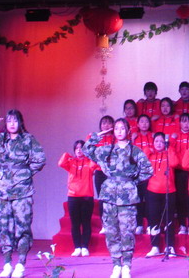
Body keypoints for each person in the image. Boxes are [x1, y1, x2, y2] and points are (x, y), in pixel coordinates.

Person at [0, 110, 46, 278]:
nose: (12, 124)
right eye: (9, 121)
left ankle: (21, 263)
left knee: (23, 226)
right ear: (6, 123)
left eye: (15, 121)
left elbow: (40, 159)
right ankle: (7, 263)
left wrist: (24, 174)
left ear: (21, 122)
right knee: (4, 227)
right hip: (3, 189)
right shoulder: (0, 139)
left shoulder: (28, 139)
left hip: (22, 190)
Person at [83, 118, 153, 278]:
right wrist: (98, 136)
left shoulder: (135, 151)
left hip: (127, 198)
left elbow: (148, 170)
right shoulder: (107, 149)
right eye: (116, 128)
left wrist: (132, 182)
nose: (119, 131)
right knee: (111, 232)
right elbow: (87, 150)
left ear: (128, 130)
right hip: (109, 196)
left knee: (127, 232)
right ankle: (116, 265)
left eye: (122, 128)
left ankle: (126, 265)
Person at [59, 140, 97, 257]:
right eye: (77, 148)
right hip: (73, 196)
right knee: (75, 223)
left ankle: (85, 247)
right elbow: (61, 163)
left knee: (86, 223)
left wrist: (90, 153)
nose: (79, 150)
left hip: (87, 196)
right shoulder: (71, 162)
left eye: (81, 148)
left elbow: (97, 164)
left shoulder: (89, 162)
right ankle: (77, 247)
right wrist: (68, 155)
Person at [144, 132, 179, 257]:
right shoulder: (151, 155)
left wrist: (169, 148)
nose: (159, 144)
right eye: (156, 141)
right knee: (154, 220)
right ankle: (155, 246)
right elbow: (142, 164)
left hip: (169, 192)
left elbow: (174, 163)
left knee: (169, 220)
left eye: (162, 141)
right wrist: (147, 150)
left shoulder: (169, 154)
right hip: (152, 192)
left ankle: (170, 246)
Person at [171, 113, 189, 233]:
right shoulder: (175, 135)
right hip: (178, 171)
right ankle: (182, 224)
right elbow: (170, 150)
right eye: (183, 121)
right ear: (179, 123)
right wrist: (172, 139)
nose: (186, 124)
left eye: (188, 121)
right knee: (180, 198)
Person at [92, 115, 115, 233]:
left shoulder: (116, 138)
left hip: (112, 173)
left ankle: (114, 223)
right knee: (102, 199)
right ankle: (104, 224)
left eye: (109, 123)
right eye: (104, 123)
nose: (106, 125)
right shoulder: (97, 138)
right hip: (100, 172)